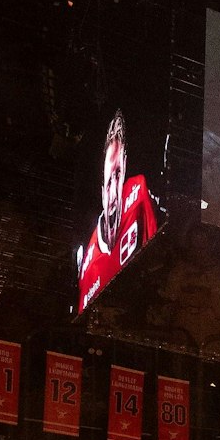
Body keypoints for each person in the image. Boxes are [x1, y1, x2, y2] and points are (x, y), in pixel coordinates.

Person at [77, 111, 160, 313]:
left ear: (124, 166)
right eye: (108, 182)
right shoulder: (89, 261)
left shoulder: (137, 190)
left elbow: (156, 257)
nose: (113, 189)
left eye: (118, 175)